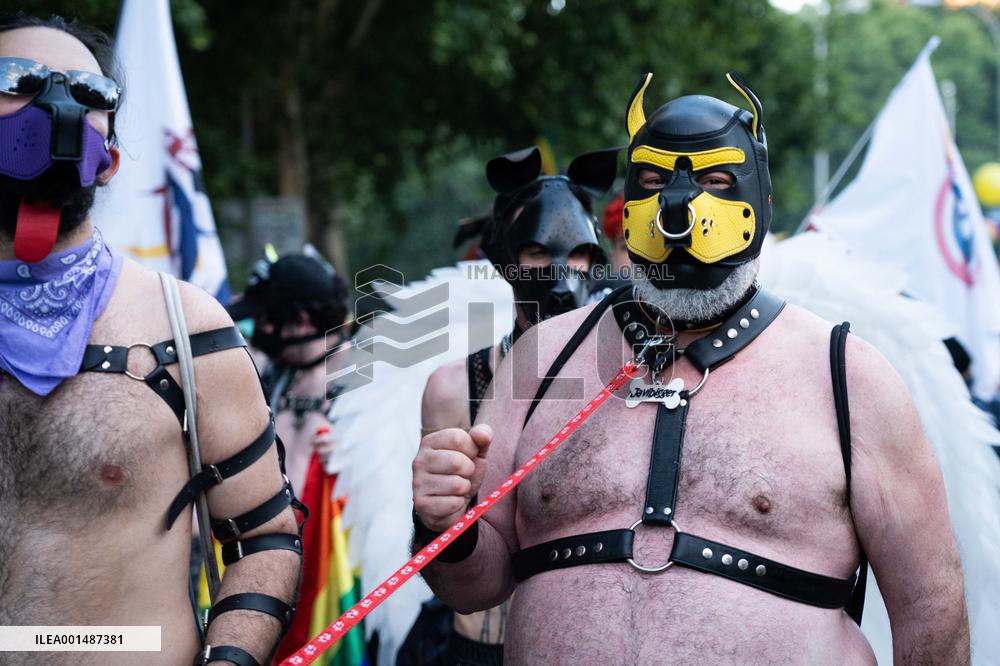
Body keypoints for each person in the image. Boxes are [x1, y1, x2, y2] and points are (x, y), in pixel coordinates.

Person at [411, 72, 969, 663]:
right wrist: (444, 523)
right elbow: (471, 589)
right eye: (654, 181)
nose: (677, 208)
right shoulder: (542, 359)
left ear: (758, 200)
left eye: (715, 180)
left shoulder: (848, 377)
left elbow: (932, 611)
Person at [0, 15, 302, 666]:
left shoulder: (186, 329)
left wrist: (230, 659)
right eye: (17, 80)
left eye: (89, 93)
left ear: (110, 159)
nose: (56, 106)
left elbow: (265, 539)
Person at [408, 146, 617, 665]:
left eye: (576, 253)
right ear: (508, 261)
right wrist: (437, 513)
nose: (560, 273)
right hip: (479, 641)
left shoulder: (626, 378)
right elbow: (442, 543)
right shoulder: (454, 387)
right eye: (539, 252)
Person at [227, 249, 350, 492]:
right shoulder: (269, 374)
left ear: (301, 320)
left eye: (263, 319)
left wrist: (358, 459)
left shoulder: (367, 376)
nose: (257, 330)